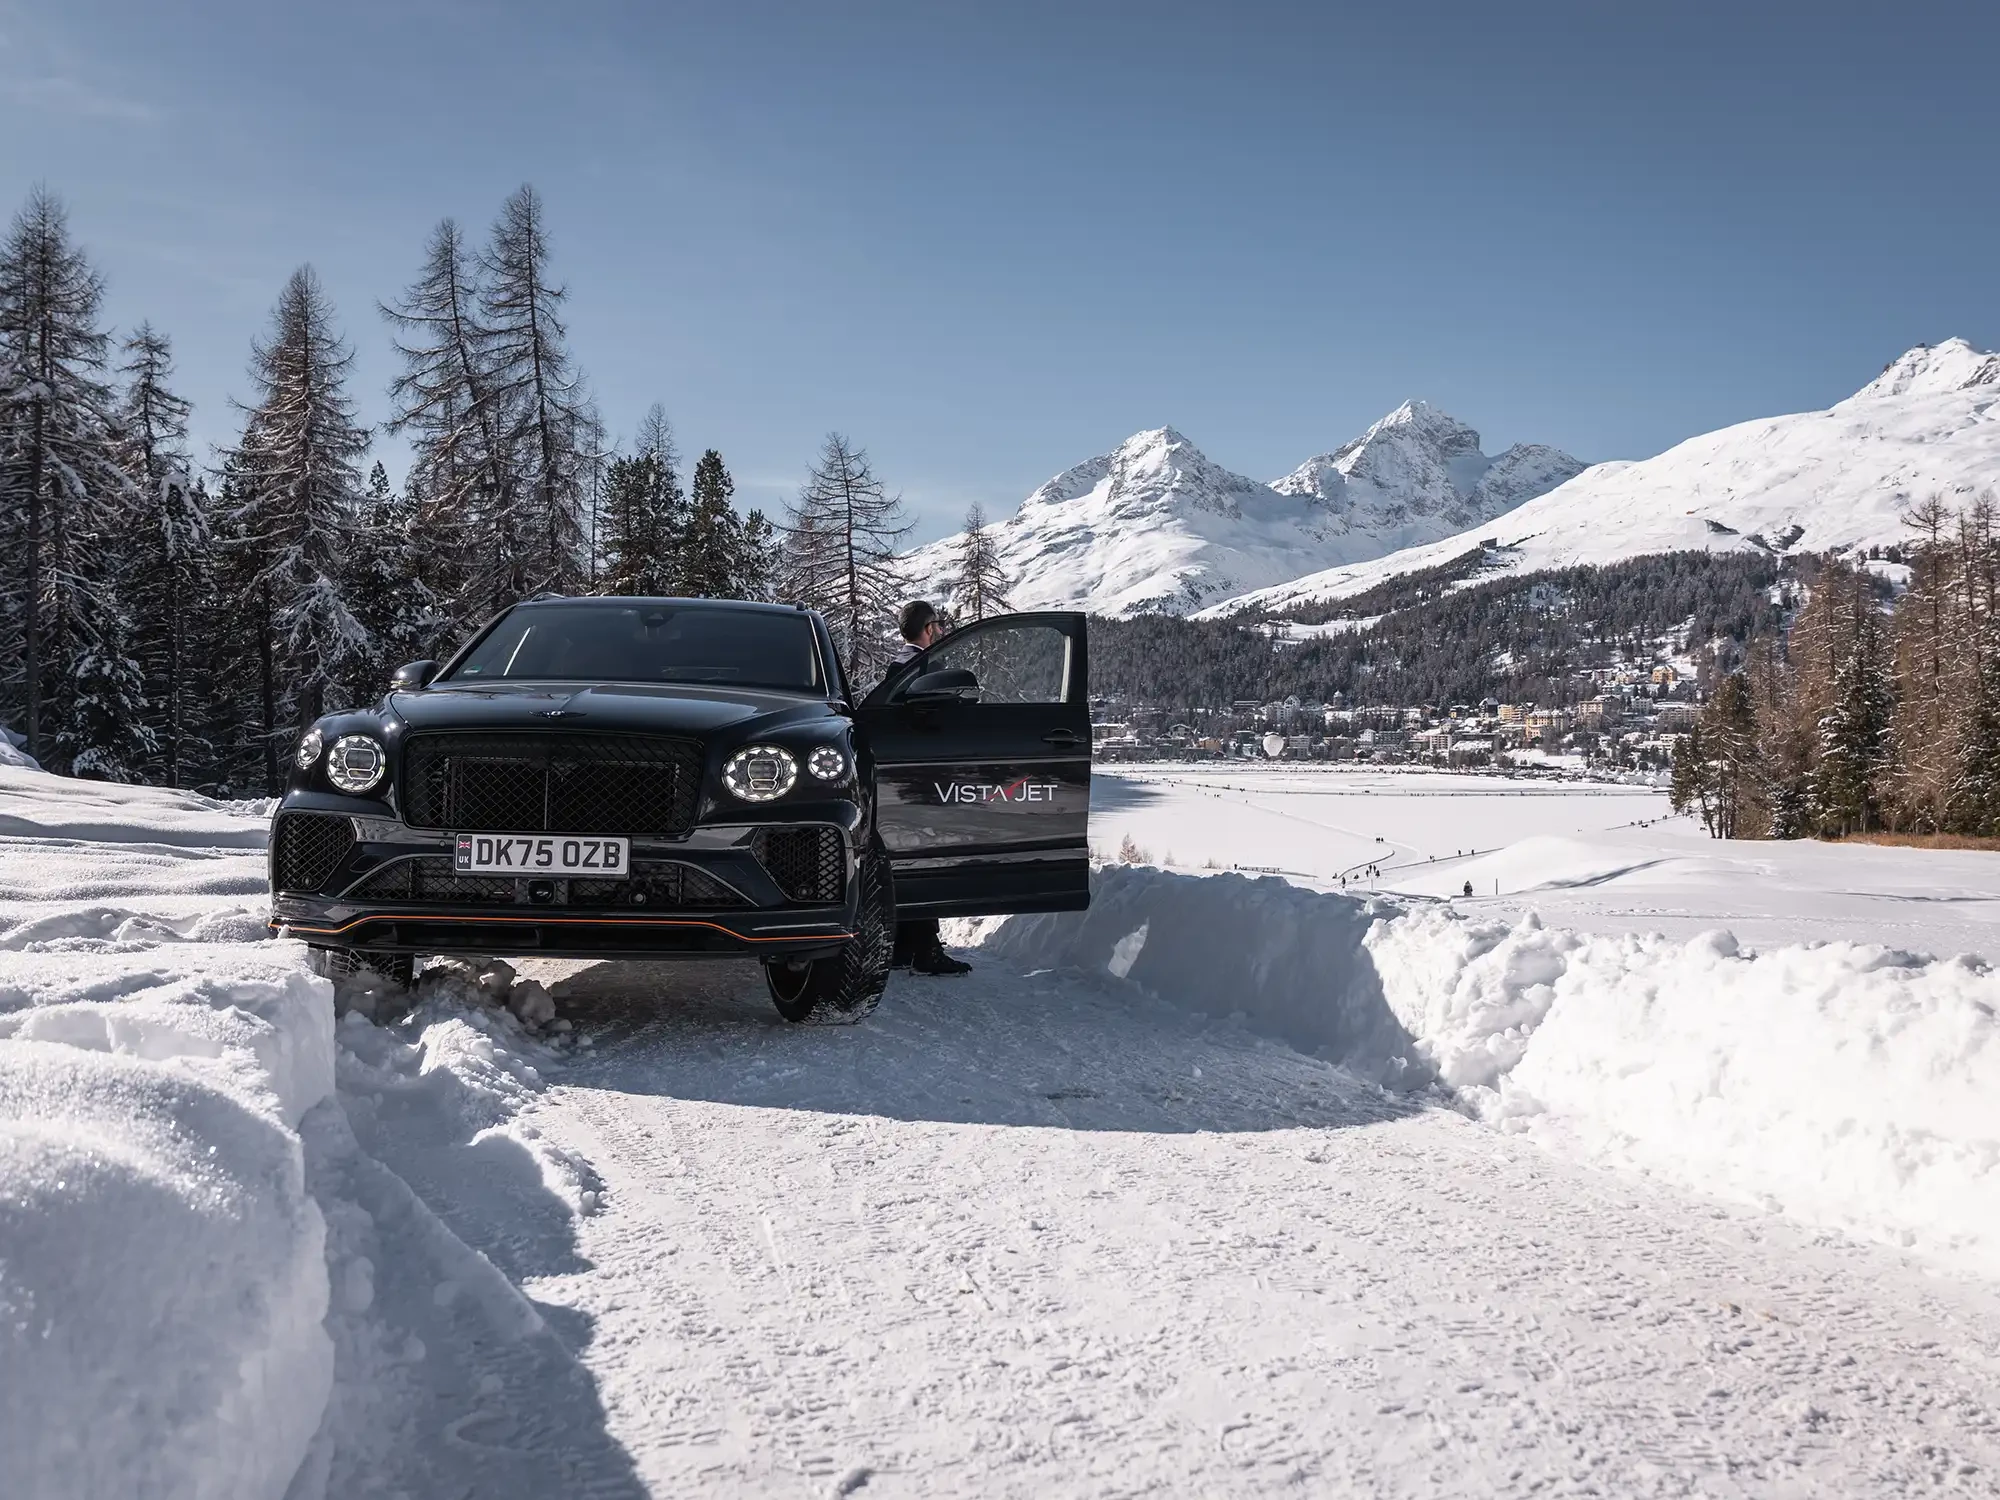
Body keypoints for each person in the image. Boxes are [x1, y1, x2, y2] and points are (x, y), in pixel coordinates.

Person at [888, 599, 971, 977]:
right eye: (936, 624)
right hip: (929, 776)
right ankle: (925, 950)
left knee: (907, 857)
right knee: (930, 857)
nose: (939, 630)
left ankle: (904, 945)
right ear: (926, 628)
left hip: (901, 777)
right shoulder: (927, 667)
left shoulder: (895, 668)